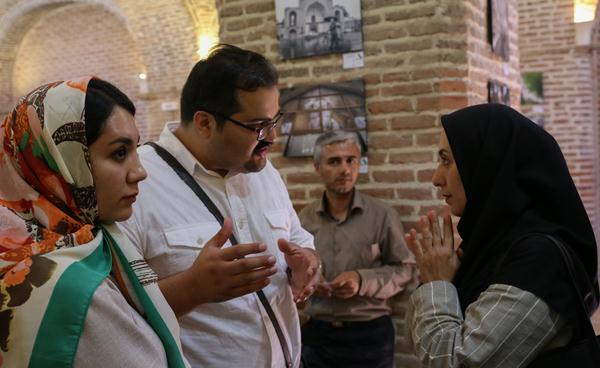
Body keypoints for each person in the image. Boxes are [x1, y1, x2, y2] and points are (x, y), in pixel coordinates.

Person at [118, 44, 320, 368]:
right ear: (204, 123)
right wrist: (193, 288)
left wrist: (307, 263)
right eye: (258, 126)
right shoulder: (136, 183)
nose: (272, 137)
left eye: (275, 120)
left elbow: (298, 239)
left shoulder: (265, 171)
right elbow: (117, 315)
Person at [0, 78, 188, 367]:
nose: (140, 172)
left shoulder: (86, 243)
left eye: (136, 149)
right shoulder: (72, 289)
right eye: (119, 153)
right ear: (62, 162)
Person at [405, 103, 598, 367]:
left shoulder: (539, 261)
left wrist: (437, 284)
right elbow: (419, 338)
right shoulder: (491, 245)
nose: (436, 178)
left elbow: (451, 361)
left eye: (446, 160)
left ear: (488, 163)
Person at [298, 130, 415, 368]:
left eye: (351, 160)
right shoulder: (303, 220)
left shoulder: (382, 215)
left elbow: (405, 269)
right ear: (317, 167)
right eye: (334, 161)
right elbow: (292, 272)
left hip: (369, 335)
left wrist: (361, 280)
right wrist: (308, 282)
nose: (345, 169)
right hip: (316, 334)